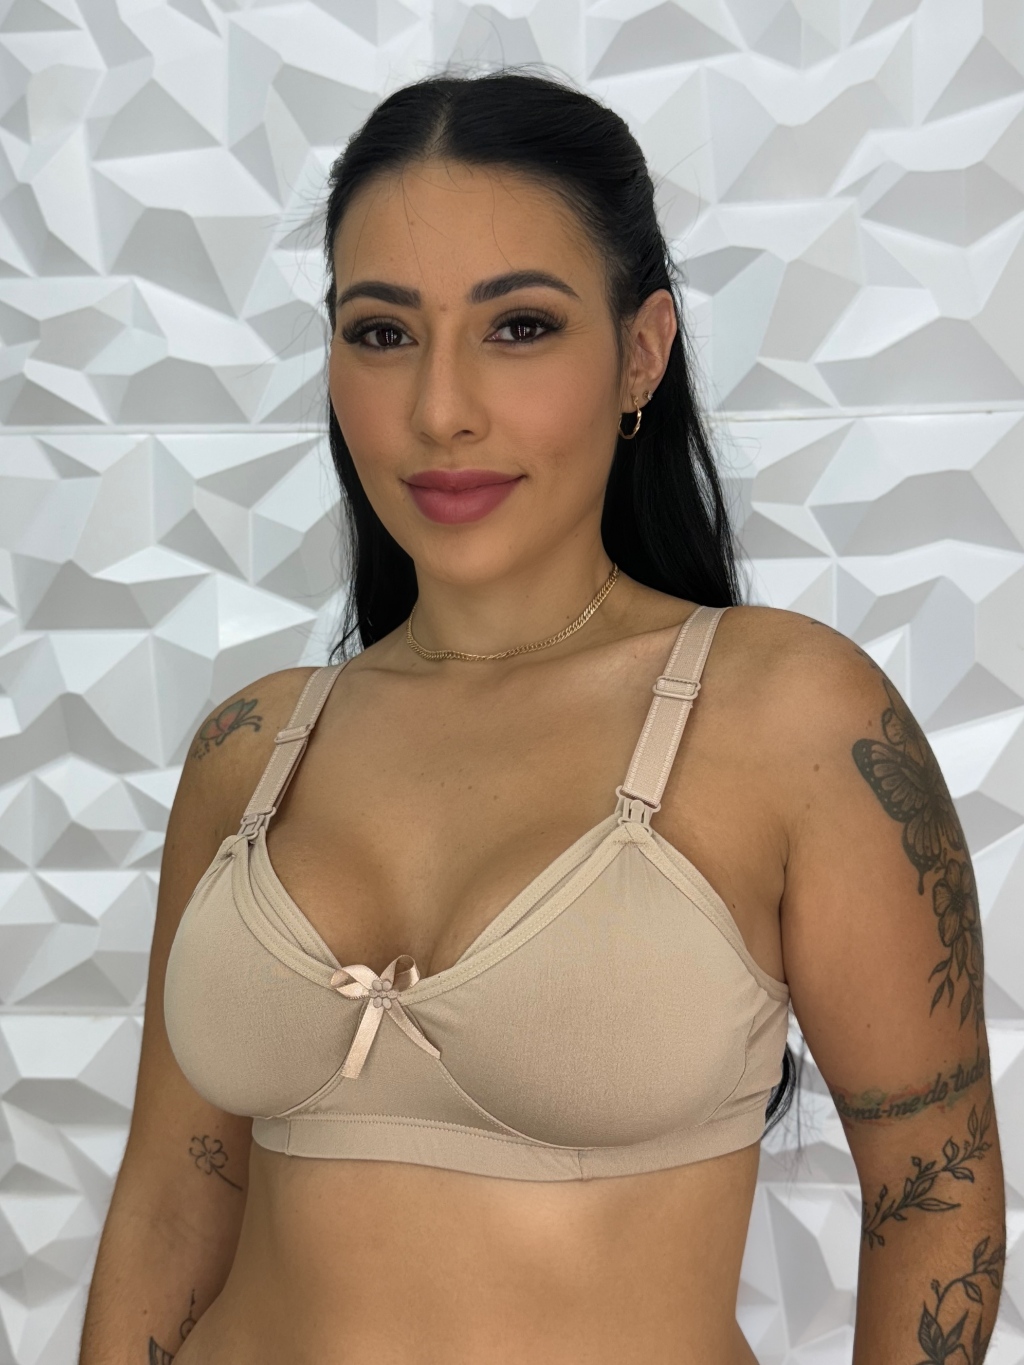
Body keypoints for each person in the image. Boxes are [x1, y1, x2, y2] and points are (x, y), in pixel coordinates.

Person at [80, 70, 1004, 1365]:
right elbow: (174, 1202)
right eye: (382, 332)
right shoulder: (253, 751)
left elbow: (935, 1189)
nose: (440, 408)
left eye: (518, 326)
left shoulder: (791, 717)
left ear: (642, 352)